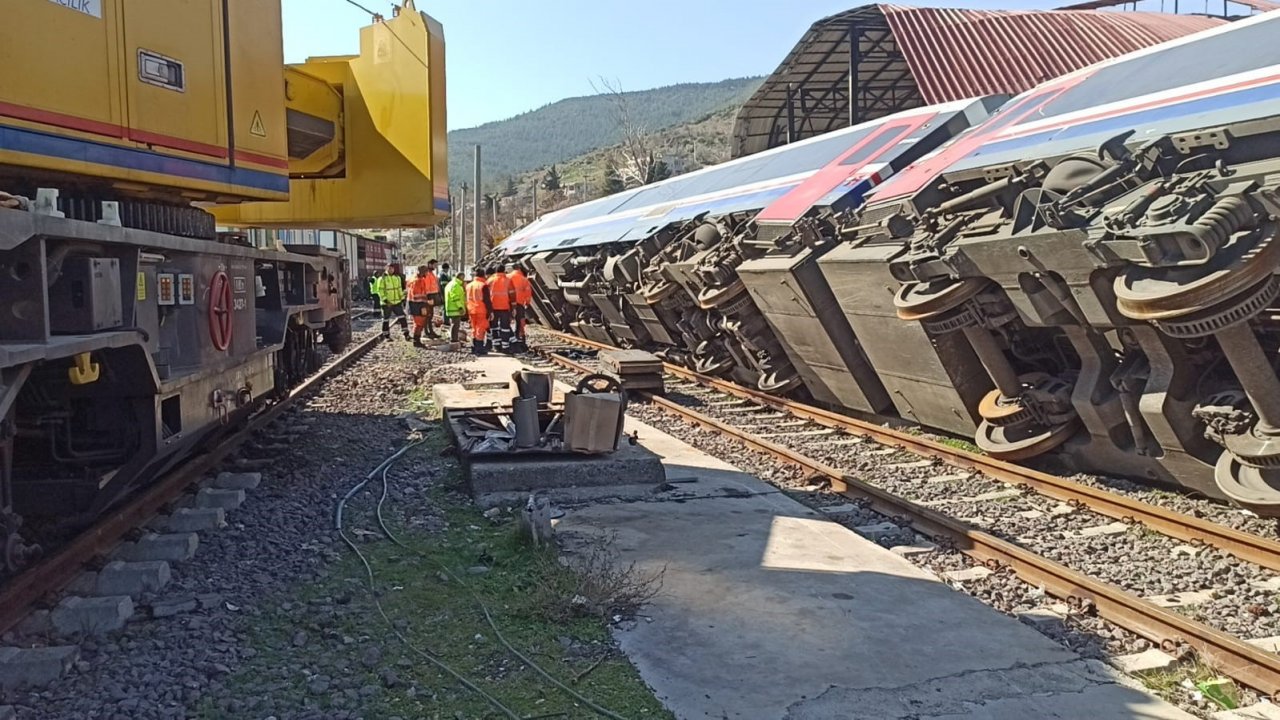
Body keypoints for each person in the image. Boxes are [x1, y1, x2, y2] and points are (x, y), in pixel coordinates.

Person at [407, 263, 441, 347]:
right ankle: (416, 341)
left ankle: (416, 340)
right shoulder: (418, 281)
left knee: (418, 324)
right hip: (417, 304)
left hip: (414, 304)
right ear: (423, 272)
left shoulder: (414, 279)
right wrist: (424, 305)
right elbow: (418, 295)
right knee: (419, 324)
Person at [375, 262, 410, 340]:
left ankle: (406, 334)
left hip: (397, 302)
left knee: (402, 317)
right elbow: (380, 291)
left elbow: (399, 289)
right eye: (389, 268)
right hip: (387, 303)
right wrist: (386, 301)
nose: (391, 269)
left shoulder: (397, 278)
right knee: (386, 319)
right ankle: (386, 335)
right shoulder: (382, 279)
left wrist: (402, 298)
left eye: (392, 268)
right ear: (386, 268)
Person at [487, 264, 513, 353]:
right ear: (504, 270)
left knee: (494, 327)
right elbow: (512, 294)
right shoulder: (508, 280)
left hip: (493, 308)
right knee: (505, 328)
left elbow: (485, 294)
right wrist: (513, 307)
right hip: (505, 308)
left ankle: (496, 345)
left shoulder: (490, 280)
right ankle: (505, 346)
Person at [508, 263, 533, 352]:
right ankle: (520, 339)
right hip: (519, 304)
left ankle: (510, 340)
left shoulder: (508, 277)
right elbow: (528, 293)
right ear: (520, 268)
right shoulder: (524, 279)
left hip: (508, 303)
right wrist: (527, 303)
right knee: (520, 322)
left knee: (507, 322)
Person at [466, 267, 491, 355]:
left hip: (471, 310)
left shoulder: (469, 285)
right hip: (481, 309)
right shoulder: (483, 285)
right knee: (481, 328)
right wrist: (490, 311)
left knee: (474, 328)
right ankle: (479, 348)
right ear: (483, 275)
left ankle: (474, 346)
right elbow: (487, 300)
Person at [443, 270, 466, 344]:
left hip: (451, 307)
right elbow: (455, 297)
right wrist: (460, 307)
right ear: (461, 277)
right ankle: (454, 339)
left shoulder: (451, 284)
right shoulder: (455, 285)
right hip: (455, 308)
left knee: (454, 324)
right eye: (463, 277)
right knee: (455, 324)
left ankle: (454, 338)